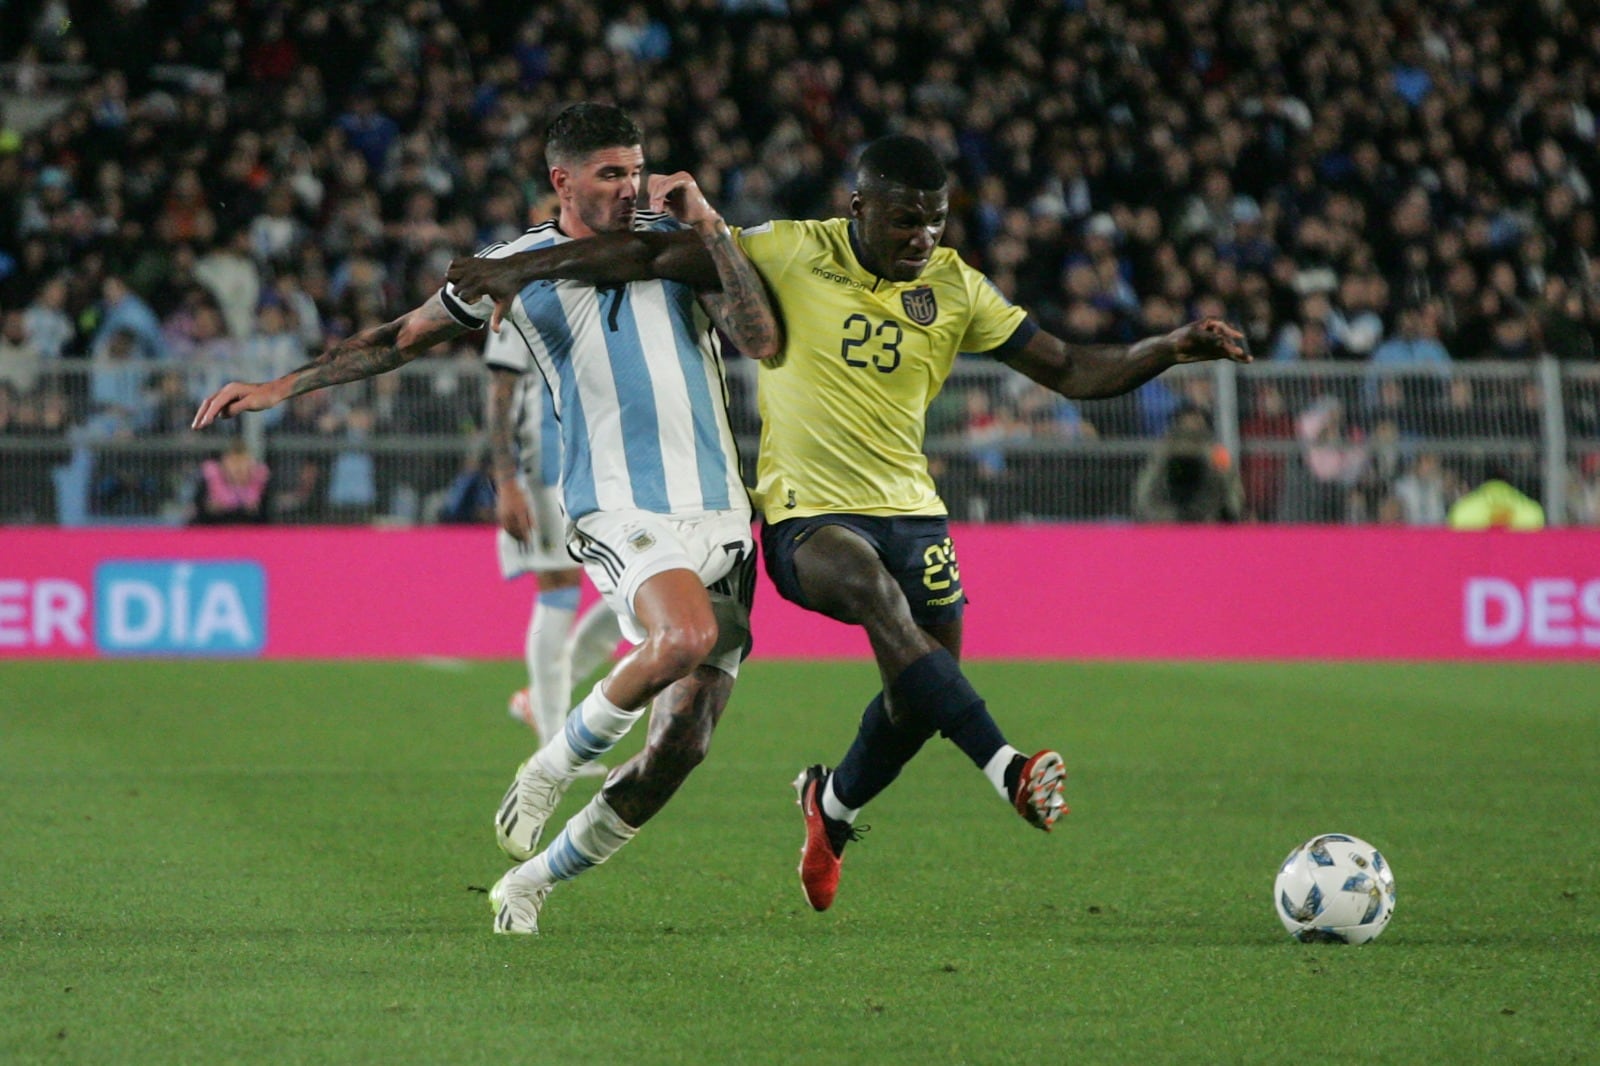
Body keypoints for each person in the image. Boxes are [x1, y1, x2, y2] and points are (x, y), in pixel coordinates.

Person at [446, 132, 1248, 912]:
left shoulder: (958, 287)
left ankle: (831, 807)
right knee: (874, 598)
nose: (922, 237)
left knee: (917, 695)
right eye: (905, 220)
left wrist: (1169, 348)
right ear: (860, 209)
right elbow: (649, 256)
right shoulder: (790, 247)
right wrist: (520, 268)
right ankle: (1006, 765)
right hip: (808, 517)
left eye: (935, 221)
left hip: (913, 512)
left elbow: (1070, 368)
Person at [193, 103, 783, 933]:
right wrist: (280, 387)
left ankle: (532, 882)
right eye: (610, 173)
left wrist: (713, 228)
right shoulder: (509, 265)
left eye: (636, 170)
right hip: (619, 504)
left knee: (680, 749)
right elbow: (402, 336)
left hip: (721, 511)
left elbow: (758, 338)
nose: (630, 187)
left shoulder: (675, 245)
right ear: (562, 181)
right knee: (683, 636)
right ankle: (551, 763)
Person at [484, 321, 621, 772]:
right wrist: (507, 481)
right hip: (543, 469)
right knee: (559, 589)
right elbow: (500, 394)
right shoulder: (516, 298)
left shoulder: (594, 291)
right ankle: (552, 744)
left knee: (633, 595)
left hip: (600, 466)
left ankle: (540, 700)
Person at [1131, 405, 1244, 523]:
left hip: (1208, 515)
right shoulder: (1163, 451)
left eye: (1197, 423)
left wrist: (1230, 513)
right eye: (1187, 423)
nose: (1191, 427)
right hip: (1168, 516)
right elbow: (1146, 488)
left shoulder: (1217, 453)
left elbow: (1231, 484)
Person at [190, 437, 270, 524]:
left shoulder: (263, 486)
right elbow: (199, 518)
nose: (238, 468)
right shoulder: (207, 484)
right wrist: (209, 509)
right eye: (234, 462)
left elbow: (269, 519)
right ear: (224, 462)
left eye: (243, 462)